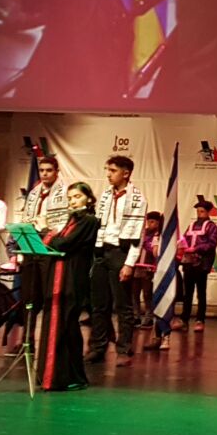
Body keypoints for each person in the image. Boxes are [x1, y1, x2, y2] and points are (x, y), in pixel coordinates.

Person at [37, 182, 99, 392]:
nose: (73, 201)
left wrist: (45, 230)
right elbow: (59, 242)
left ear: (88, 198)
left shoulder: (89, 220)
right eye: (70, 198)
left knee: (66, 325)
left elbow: (63, 244)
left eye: (77, 197)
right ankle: (60, 375)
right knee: (62, 325)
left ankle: (69, 376)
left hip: (73, 278)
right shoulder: (73, 220)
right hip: (61, 275)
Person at [88, 154, 147, 364]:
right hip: (102, 251)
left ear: (126, 173)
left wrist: (129, 263)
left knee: (123, 305)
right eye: (108, 170)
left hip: (120, 252)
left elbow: (138, 234)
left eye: (113, 171)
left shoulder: (138, 198)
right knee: (99, 304)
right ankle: (98, 347)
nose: (108, 175)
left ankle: (124, 348)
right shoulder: (105, 195)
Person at [9, 154, 67, 349]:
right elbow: (26, 217)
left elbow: (65, 222)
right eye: (41, 170)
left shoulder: (64, 192)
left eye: (49, 170)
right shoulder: (34, 193)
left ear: (56, 172)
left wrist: (49, 232)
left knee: (48, 295)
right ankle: (27, 338)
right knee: (29, 295)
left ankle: (48, 341)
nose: (44, 174)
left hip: (50, 247)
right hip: (32, 245)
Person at [179, 198, 217, 330]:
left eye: (202, 211)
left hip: (202, 264)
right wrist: (182, 247)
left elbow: (211, 244)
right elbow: (184, 239)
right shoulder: (191, 225)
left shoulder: (212, 227)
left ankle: (200, 320)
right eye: (198, 211)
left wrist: (196, 249)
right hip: (189, 263)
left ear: (208, 212)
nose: (199, 214)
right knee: (187, 293)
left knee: (201, 292)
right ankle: (184, 319)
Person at [134, 211, 165, 332]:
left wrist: (145, 243)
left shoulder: (159, 235)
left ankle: (149, 318)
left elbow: (155, 251)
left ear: (157, 223)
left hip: (149, 267)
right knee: (134, 293)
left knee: (147, 294)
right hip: (137, 266)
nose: (149, 224)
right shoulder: (142, 232)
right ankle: (136, 316)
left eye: (152, 222)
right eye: (148, 221)